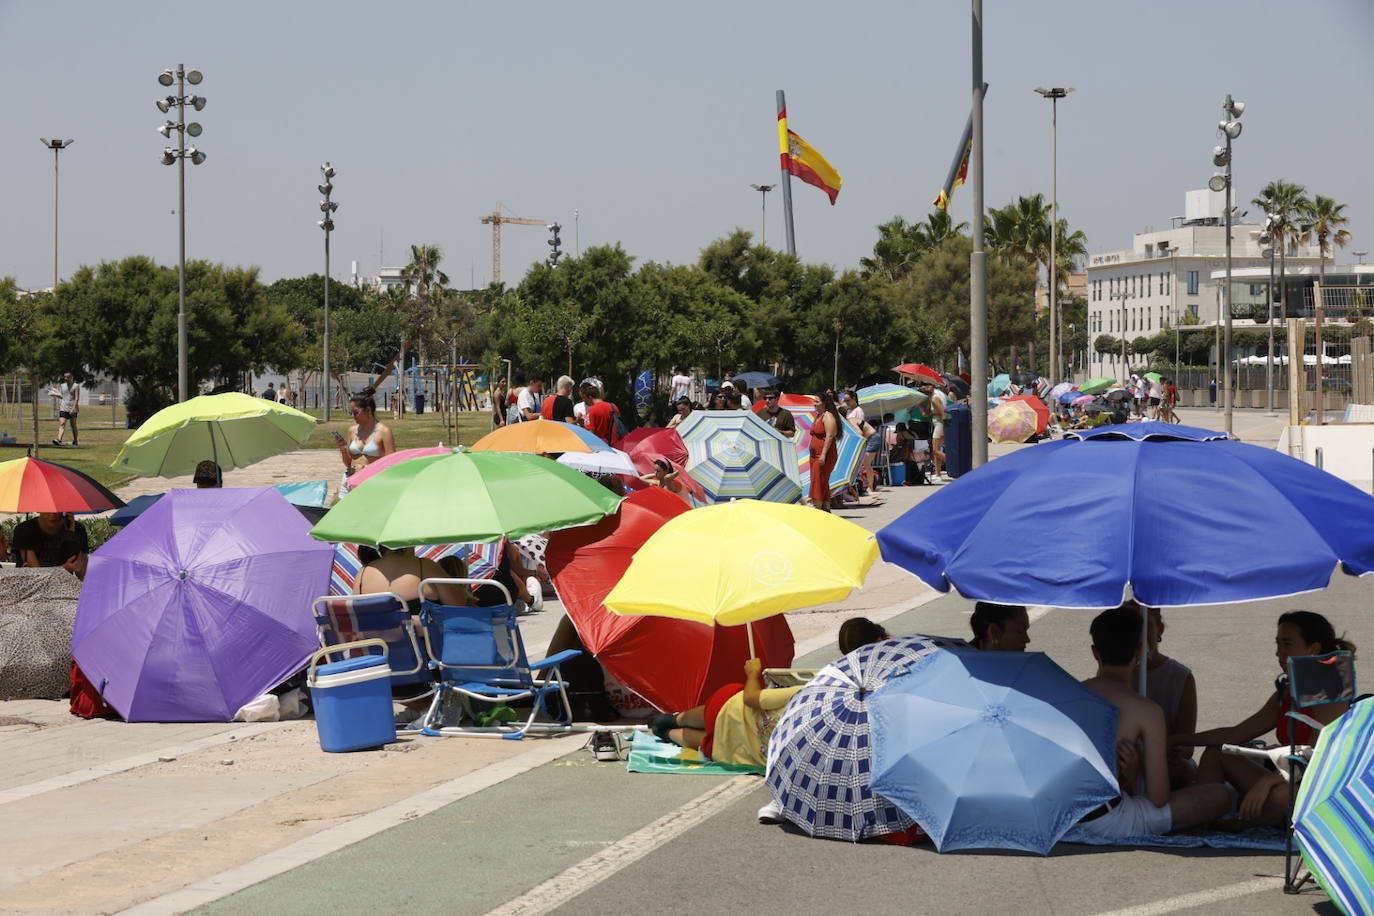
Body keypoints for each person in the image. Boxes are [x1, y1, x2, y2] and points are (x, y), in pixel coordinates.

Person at [1169, 611, 1355, 826]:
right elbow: (1234, 734)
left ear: (1313, 649)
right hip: (1288, 775)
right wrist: (1174, 740)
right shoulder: (1286, 692)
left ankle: (1243, 821)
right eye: (1277, 644)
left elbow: (1314, 756)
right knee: (1217, 752)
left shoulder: (1329, 693)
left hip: (1318, 783)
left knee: (1278, 795)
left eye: (1287, 644)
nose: (1279, 653)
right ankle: (1204, 815)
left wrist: (1266, 781)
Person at [1076, 605, 1231, 839]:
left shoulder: (1072, 693)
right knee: (1220, 795)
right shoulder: (1146, 711)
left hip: (1066, 813)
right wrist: (1136, 772)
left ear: (1095, 652)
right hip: (1110, 818)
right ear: (1139, 652)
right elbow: (1159, 798)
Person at [653, 616, 890, 766]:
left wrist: (753, 673)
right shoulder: (872, 707)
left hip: (736, 711)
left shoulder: (820, 687)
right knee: (706, 742)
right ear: (881, 640)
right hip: (748, 752)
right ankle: (665, 731)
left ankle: (669, 721)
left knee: (723, 702)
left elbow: (752, 698)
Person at [1140, 605, 1198, 788]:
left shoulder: (1181, 677)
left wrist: (1174, 750)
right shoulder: (1117, 673)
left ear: (1159, 629)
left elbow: (1187, 743)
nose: (1138, 633)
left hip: (1165, 761)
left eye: (1145, 626)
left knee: (1183, 771)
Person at [334, 388, 396, 496]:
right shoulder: (352, 431)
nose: (353, 416)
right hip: (350, 479)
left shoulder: (383, 431)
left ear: (368, 410)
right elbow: (348, 463)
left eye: (355, 412)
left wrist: (366, 469)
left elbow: (392, 464)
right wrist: (343, 450)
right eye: (351, 412)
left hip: (373, 482)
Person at [12, 511, 89, 579]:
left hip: (65, 590)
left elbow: (82, 573)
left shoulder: (77, 529)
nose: (54, 513)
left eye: (58, 508)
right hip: (34, 591)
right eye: (48, 508)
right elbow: (37, 576)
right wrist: (64, 568)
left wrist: (72, 536)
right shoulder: (25, 530)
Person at [808, 390, 841, 511]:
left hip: (824, 454)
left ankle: (818, 507)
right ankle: (826, 507)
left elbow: (830, 436)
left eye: (816, 401)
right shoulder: (818, 416)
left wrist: (823, 454)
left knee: (818, 480)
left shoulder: (828, 416)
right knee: (820, 480)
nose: (814, 403)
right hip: (814, 454)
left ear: (824, 403)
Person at [51, 372, 80, 447]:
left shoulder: (76, 386)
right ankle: (59, 439)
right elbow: (62, 396)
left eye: (67, 377)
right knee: (62, 424)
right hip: (63, 407)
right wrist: (55, 394)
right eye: (65, 377)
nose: (66, 378)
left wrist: (73, 408)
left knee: (73, 425)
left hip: (72, 408)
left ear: (72, 377)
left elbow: (77, 398)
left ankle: (75, 441)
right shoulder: (62, 386)